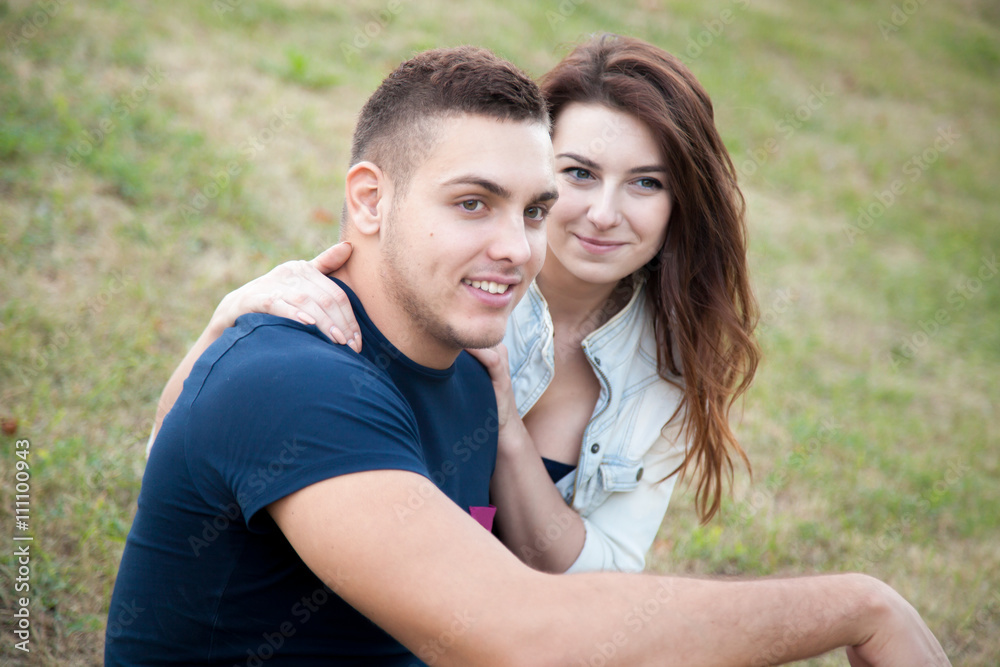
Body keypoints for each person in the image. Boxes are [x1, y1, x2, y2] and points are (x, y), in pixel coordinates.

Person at [112, 42, 953, 666]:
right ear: (369, 201)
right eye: (476, 201)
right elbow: (529, 632)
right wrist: (858, 604)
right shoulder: (300, 368)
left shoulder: (466, 363)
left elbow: (585, 597)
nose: (520, 245)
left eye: (529, 208)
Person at [151, 34, 759, 575]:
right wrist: (224, 327)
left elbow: (605, 584)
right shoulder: (434, 286)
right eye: (578, 173)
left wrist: (507, 432)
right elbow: (203, 454)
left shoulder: (673, 366)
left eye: (646, 182)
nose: (604, 212)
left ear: (682, 204)